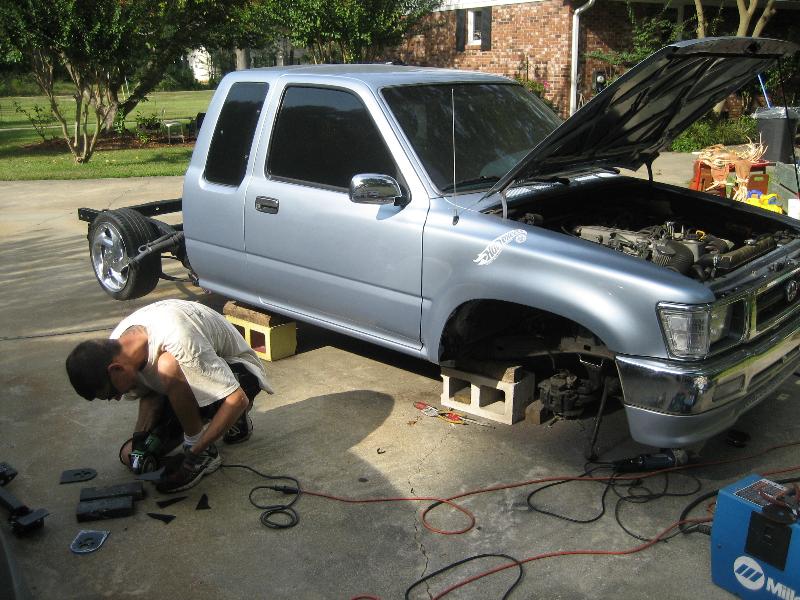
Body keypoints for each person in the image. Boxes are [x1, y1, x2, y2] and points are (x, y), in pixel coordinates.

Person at [65, 299, 272, 493]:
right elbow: (149, 393)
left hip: (239, 376)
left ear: (115, 369)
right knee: (131, 455)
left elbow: (236, 399)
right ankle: (214, 430)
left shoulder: (178, 338)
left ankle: (209, 447)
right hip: (186, 381)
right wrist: (140, 440)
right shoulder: (117, 347)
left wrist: (193, 453)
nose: (118, 398)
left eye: (112, 393)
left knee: (168, 366)